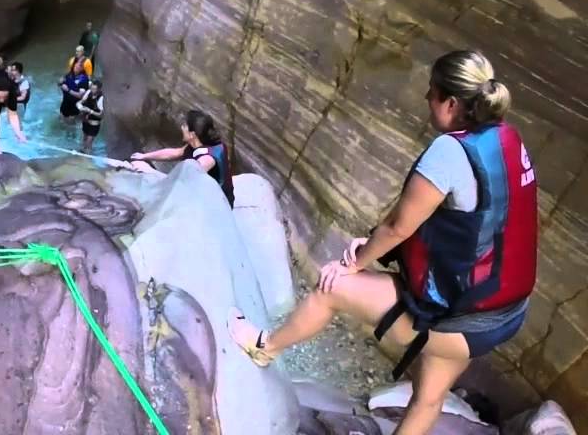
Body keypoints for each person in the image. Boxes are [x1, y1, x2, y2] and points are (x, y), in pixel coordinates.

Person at [225, 51, 537, 435]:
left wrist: (354, 263)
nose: (426, 98)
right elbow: (474, 224)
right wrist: (379, 246)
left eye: (432, 92)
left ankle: (264, 347)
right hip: (501, 316)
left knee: (330, 288)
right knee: (428, 398)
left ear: (451, 103)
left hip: (456, 318)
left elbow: (397, 226)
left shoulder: (449, 152)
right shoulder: (506, 137)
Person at [127, 109, 233, 206]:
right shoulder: (200, 142)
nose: (182, 127)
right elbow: (175, 153)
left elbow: (185, 182)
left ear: (192, 134)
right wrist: (144, 156)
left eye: (185, 126)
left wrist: (149, 173)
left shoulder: (206, 160)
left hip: (217, 206)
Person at [76, 79, 104, 153]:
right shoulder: (89, 92)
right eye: (92, 88)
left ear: (99, 89)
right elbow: (81, 101)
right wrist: (79, 105)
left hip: (94, 124)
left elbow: (101, 115)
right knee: (84, 140)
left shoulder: (101, 99)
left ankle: (88, 158)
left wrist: (90, 111)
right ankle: (83, 153)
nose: (92, 90)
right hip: (85, 120)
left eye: (94, 89)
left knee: (89, 142)